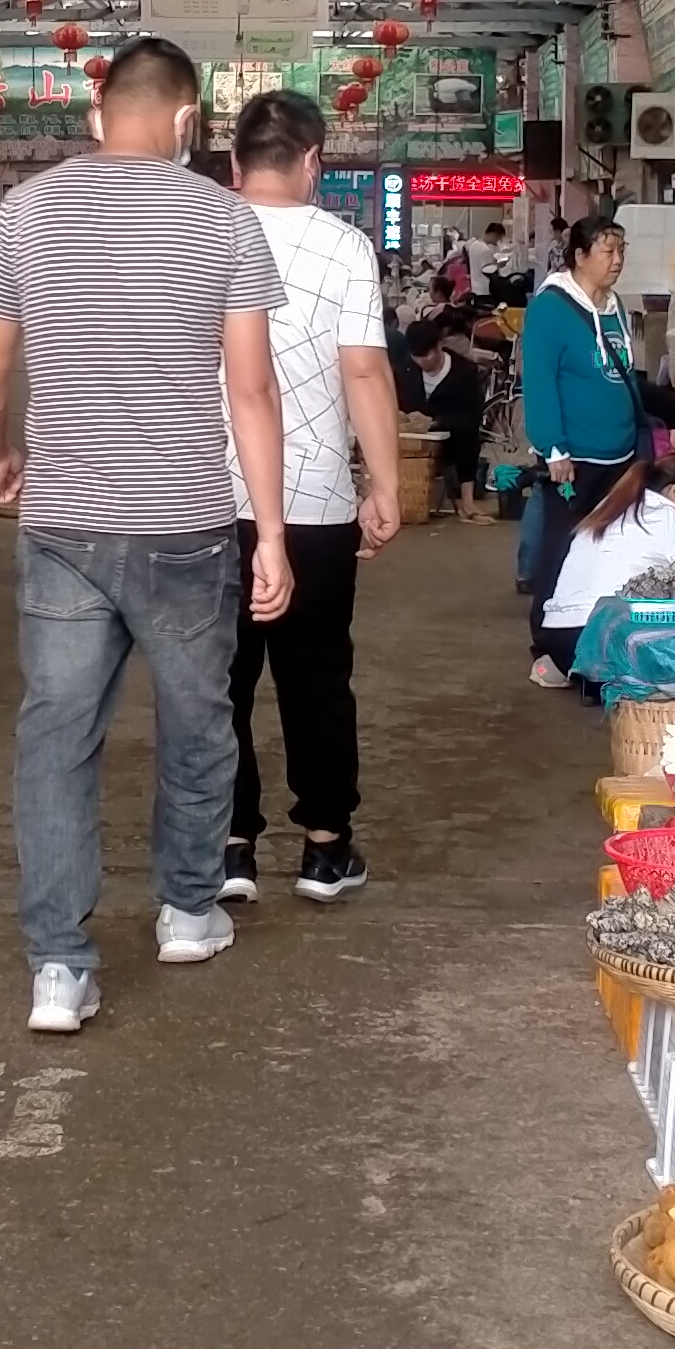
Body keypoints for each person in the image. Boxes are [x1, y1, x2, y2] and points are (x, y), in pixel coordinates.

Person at [0, 38, 290, 1036]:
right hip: (187, 525)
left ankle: (58, 969)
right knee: (197, 724)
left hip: (63, 521)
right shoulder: (225, 218)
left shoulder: (27, 209)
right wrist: (269, 532)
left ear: (99, 113)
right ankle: (188, 911)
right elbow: (250, 389)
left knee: (56, 739)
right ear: (189, 122)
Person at [217, 90, 397, 910]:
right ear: (314, 161)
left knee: (215, 679)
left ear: (234, 162)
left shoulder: (199, 230)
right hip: (315, 501)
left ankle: (229, 844)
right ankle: (326, 847)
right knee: (317, 675)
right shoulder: (343, 244)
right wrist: (384, 484)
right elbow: (364, 370)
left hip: (204, 499)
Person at [518, 216, 642, 687]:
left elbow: (627, 374)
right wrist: (553, 449)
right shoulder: (551, 310)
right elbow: (541, 384)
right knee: (561, 551)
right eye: (608, 251)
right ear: (579, 256)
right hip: (575, 458)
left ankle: (599, 640)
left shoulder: (616, 307)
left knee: (611, 551)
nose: (617, 260)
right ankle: (547, 648)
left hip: (621, 454)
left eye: (621, 250)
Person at [536, 453, 675, 683]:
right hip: (606, 642)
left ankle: (574, 675)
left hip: (559, 640)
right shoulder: (668, 518)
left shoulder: (608, 508)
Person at [399, 314, 492, 518]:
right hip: (413, 433)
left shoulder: (464, 371)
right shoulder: (406, 368)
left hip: (452, 431)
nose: (422, 361)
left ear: (439, 345)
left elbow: (471, 414)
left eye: (426, 355)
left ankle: (467, 499)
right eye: (417, 356)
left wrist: (436, 422)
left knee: (466, 435)